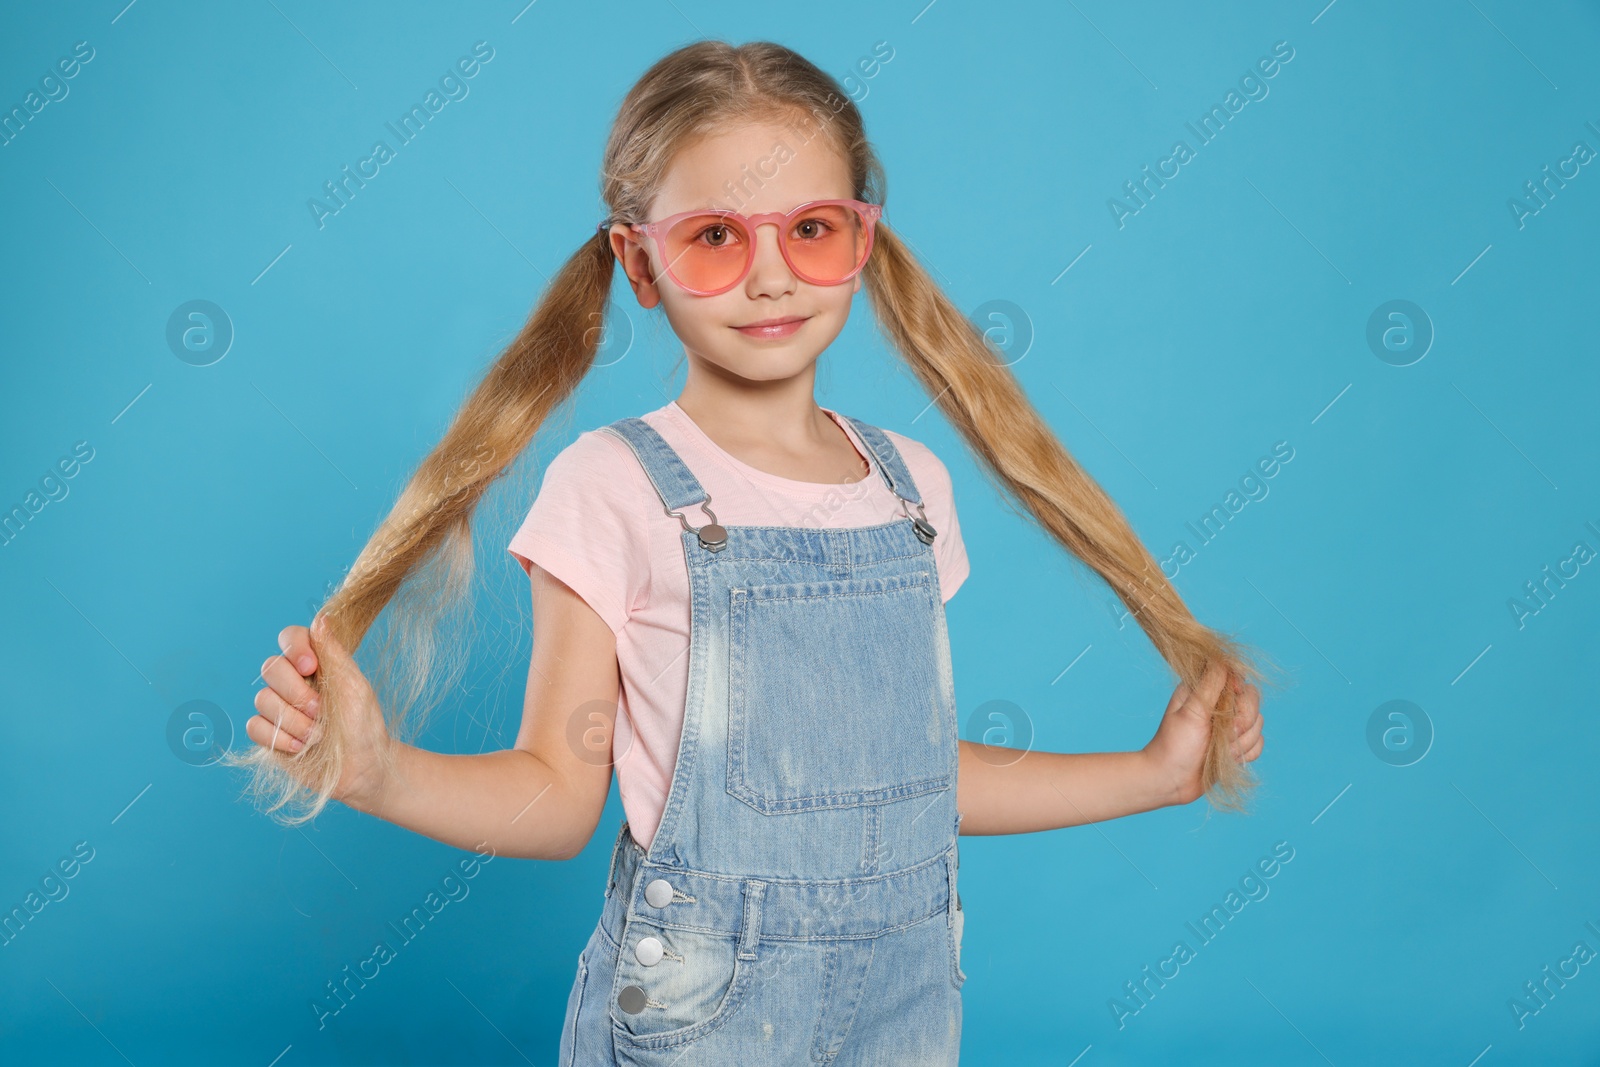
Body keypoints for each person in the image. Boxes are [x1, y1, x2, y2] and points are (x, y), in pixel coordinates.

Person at [230, 40, 1271, 1065]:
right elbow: (555, 789)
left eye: (811, 229)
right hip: (698, 1018)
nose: (771, 277)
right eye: (716, 236)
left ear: (863, 239)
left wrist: (1153, 773)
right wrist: (378, 770)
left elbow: (905, 782)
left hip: (906, 1008)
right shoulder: (614, 484)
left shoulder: (911, 488)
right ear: (639, 260)